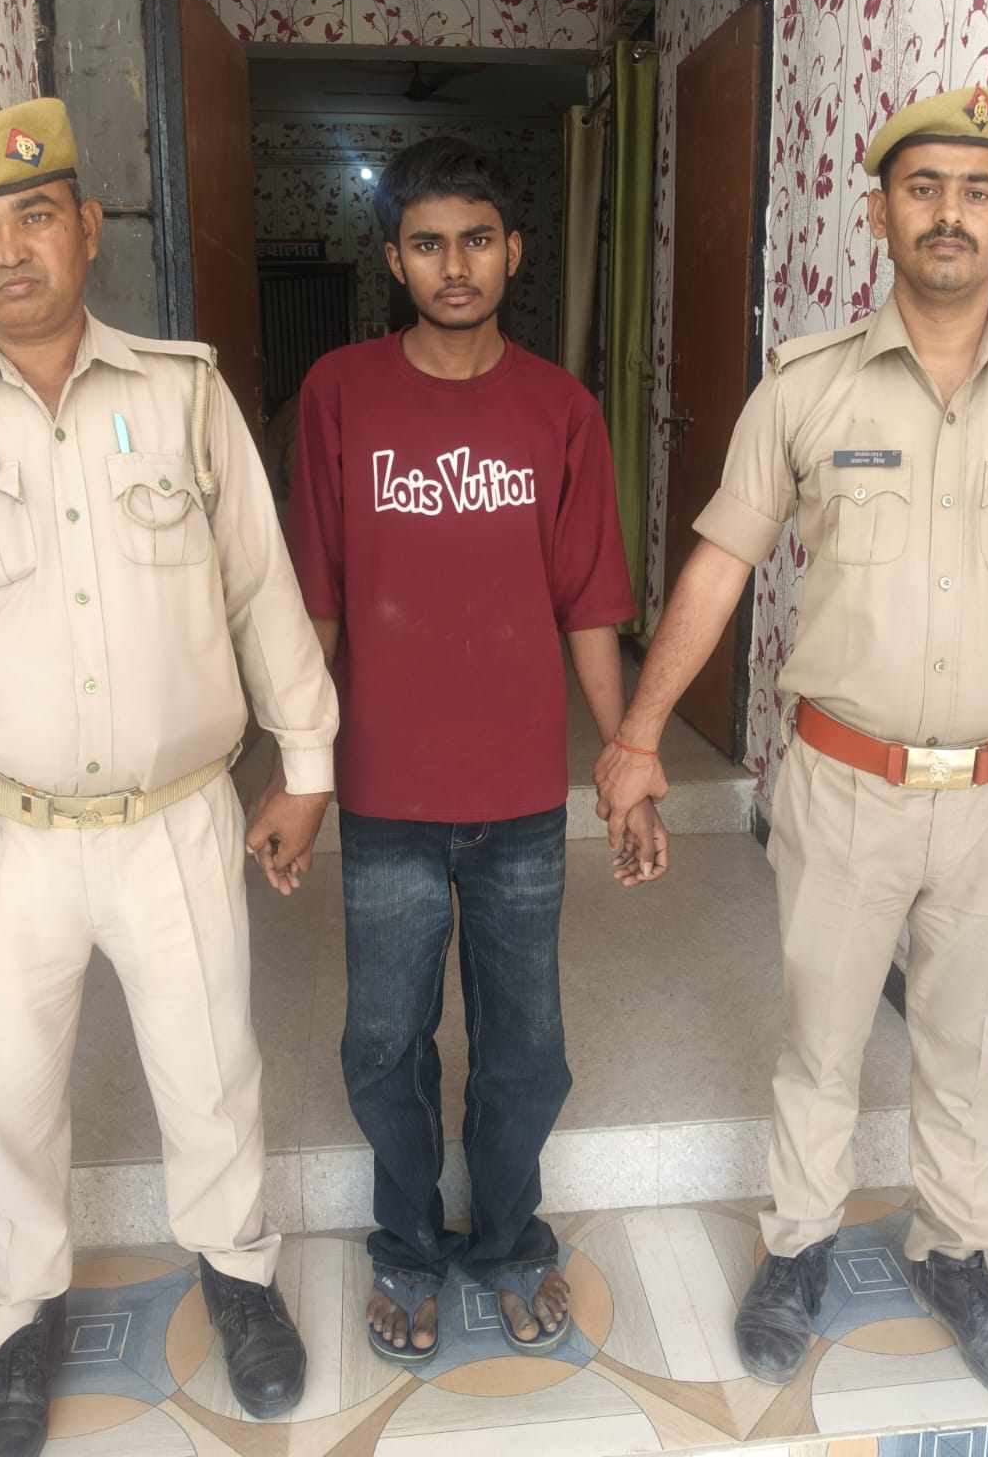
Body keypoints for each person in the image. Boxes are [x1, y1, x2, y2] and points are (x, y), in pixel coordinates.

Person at [593, 86, 988, 1413]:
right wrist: (639, 735)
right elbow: (719, 566)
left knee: (963, 1048)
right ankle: (798, 1244)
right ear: (879, 213)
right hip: (845, 782)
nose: (949, 214)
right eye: (922, 187)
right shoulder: (807, 385)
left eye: (978, 191)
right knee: (821, 1041)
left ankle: (957, 1254)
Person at [0, 99, 339, 1457]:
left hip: (173, 821)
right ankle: (18, 1322)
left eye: (34, 216)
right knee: (9, 1098)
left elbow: (262, 586)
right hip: (0, 835)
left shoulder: (182, 391)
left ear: (88, 229)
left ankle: (240, 1276)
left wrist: (305, 763)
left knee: (210, 1071)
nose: (8, 251)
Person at [285, 136, 667, 1364]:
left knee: (526, 1046)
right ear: (395, 259)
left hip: (519, 799)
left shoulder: (561, 409)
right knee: (383, 1041)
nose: (456, 266)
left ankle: (508, 1241)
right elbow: (317, 602)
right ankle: (406, 1245)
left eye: (478, 240)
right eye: (429, 244)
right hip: (383, 791)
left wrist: (627, 758)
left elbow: (590, 604)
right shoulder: (339, 394)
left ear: (514, 250)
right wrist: (298, 768)